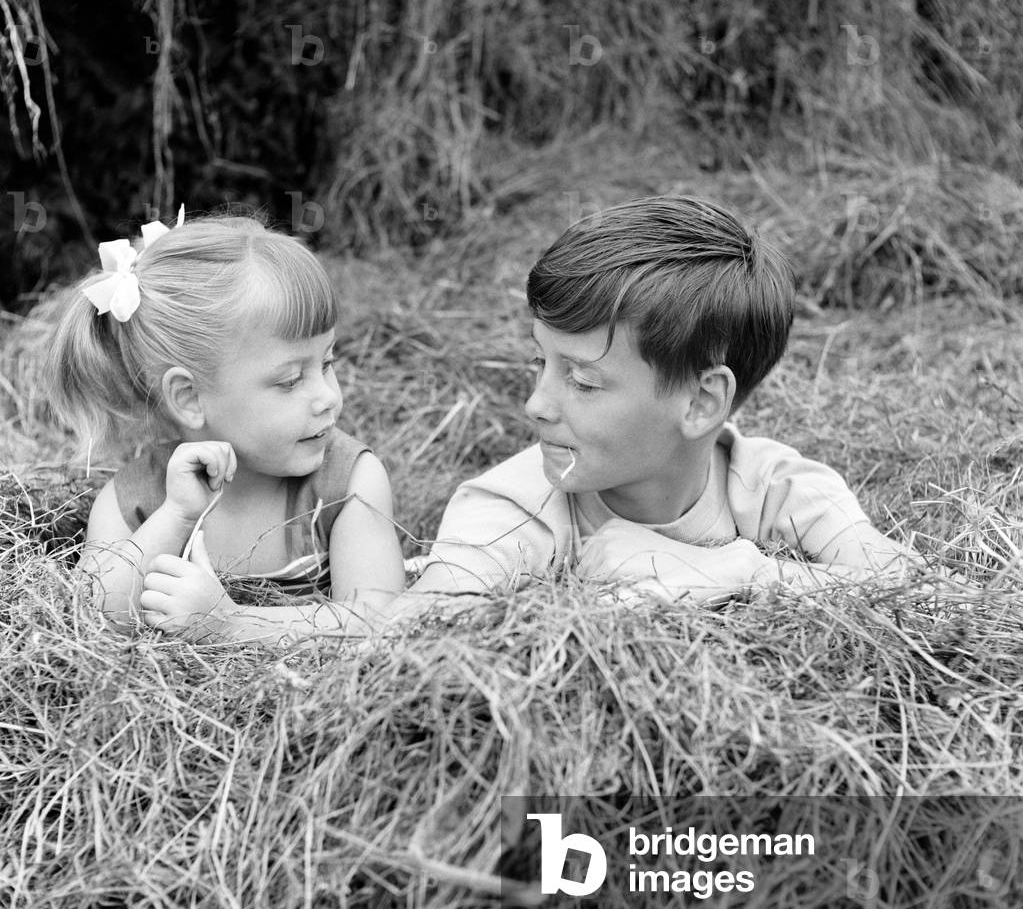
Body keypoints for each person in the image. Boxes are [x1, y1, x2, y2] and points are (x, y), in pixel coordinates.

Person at [400, 196, 920, 610]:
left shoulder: (777, 488)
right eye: (540, 362)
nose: (536, 404)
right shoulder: (514, 508)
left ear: (699, 402)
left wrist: (733, 571)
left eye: (582, 379)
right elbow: (428, 623)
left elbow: (918, 592)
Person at [47, 211, 405, 642]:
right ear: (189, 398)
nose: (329, 396)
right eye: (290, 380)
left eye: (326, 363)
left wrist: (232, 625)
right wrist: (177, 515)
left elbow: (382, 622)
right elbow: (89, 624)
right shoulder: (137, 502)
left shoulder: (346, 485)